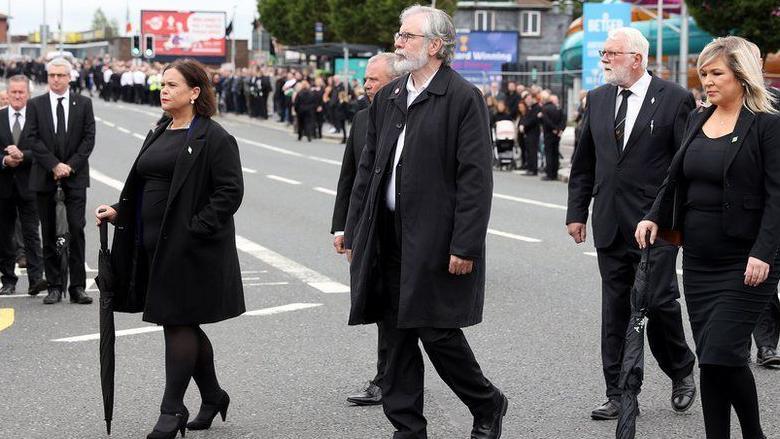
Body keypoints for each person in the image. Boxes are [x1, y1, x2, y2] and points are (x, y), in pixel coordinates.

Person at [344, 6, 507, 438]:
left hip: (436, 239)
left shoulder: (462, 98)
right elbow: (368, 170)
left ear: (435, 46)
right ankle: (408, 427)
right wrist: (355, 228)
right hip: (387, 236)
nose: (398, 42)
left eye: (407, 36)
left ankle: (487, 403)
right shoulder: (390, 97)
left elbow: (476, 179)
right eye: (399, 35)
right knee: (395, 336)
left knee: (436, 332)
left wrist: (465, 245)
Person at [636, 36, 780, 439]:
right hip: (699, 261)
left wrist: (764, 253)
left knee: (723, 352)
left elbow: (777, 196)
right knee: (712, 361)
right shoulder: (699, 119)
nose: (708, 81)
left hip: (746, 260)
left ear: (741, 75)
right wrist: (653, 217)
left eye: (716, 73)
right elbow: (674, 177)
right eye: (704, 74)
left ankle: (753, 433)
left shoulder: (767, 124)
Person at [95, 58, 245, 439]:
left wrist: (195, 229)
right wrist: (118, 210)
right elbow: (146, 185)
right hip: (153, 247)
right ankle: (213, 396)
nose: (163, 90)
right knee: (181, 322)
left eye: (172, 85)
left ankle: (171, 409)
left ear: (195, 93)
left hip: (190, 250)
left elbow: (229, 192)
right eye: (162, 84)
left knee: (176, 322)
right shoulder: (160, 130)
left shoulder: (214, 138)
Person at [566, 27, 697, 420]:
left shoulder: (675, 99)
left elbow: (682, 167)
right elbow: (584, 162)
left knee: (657, 303)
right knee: (616, 309)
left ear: (636, 59)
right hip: (609, 222)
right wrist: (576, 212)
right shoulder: (599, 99)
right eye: (603, 52)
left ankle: (680, 371)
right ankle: (620, 393)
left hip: (655, 224)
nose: (604, 59)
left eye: (611, 53)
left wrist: (667, 216)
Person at [331, 52, 399, 407]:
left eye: (374, 80)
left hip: (404, 231)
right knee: (383, 307)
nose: (367, 86)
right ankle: (389, 376)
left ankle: (392, 376)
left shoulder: (410, 118)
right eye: (366, 80)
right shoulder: (360, 120)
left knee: (409, 315)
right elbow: (349, 179)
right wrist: (343, 229)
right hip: (370, 231)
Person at [27, 58, 95, 305]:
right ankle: (55, 285)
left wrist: (70, 166)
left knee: (76, 228)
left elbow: (89, 139)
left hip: (75, 177)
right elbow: (32, 139)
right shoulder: (36, 104)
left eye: (60, 75)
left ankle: (77, 286)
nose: (56, 79)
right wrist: (54, 165)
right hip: (45, 176)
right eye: (52, 75)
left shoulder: (84, 103)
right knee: (49, 230)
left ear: (69, 77)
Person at [0, 75, 47, 296]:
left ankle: (36, 281)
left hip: (30, 185)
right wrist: (4, 160)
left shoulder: (38, 117)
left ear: (28, 94)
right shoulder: (0, 116)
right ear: (7, 94)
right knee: (4, 235)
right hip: (3, 186)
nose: (17, 96)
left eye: (21, 92)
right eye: (13, 92)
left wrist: (23, 155)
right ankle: (8, 280)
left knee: (31, 234)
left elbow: (44, 150)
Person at [539, 92, 565, 181]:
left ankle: (549, 174)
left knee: (549, 154)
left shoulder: (545, 109)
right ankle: (555, 172)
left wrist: (554, 129)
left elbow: (546, 121)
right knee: (555, 153)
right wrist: (559, 130)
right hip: (557, 135)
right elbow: (563, 120)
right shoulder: (558, 108)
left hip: (549, 134)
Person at [518, 92, 541, 176]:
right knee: (528, 151)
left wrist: (524, 125)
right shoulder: (529, 108)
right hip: (528, 132)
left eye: (528, 99)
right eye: (526, 99)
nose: (527, 101)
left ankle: (533, 169)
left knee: (532, 151)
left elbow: (533, 119)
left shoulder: (536, 108)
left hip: (533, 132)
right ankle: (529, 167)